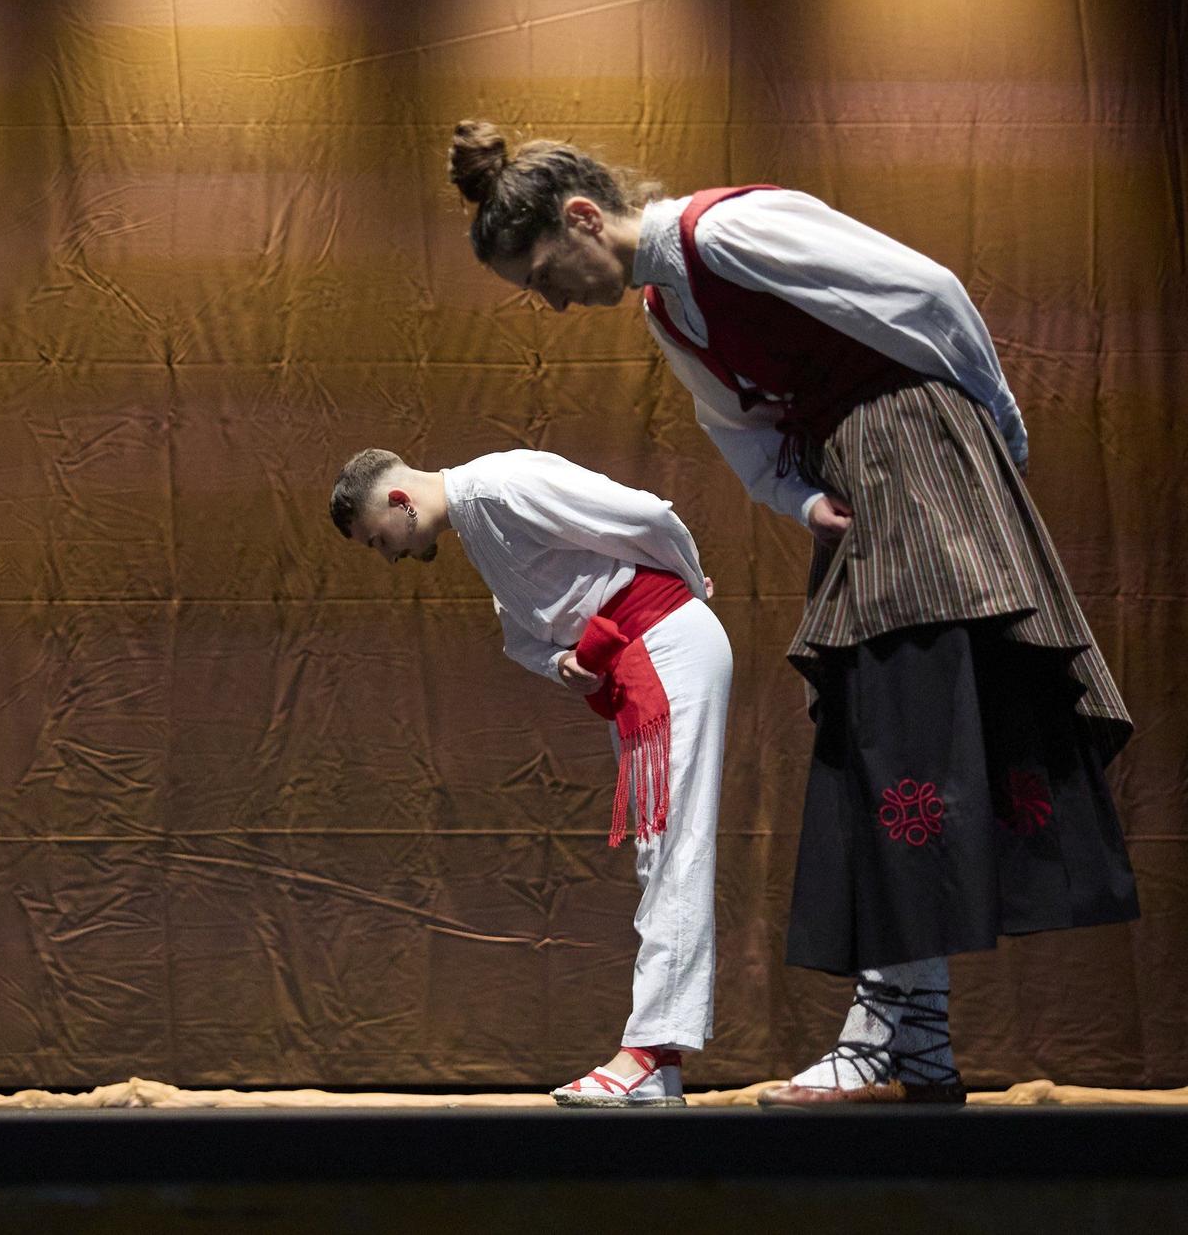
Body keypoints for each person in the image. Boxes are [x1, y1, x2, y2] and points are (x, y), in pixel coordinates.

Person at [445, 122, 1137, 1107]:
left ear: (582, 216)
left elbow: (925, 295)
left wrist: (993, 430)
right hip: (862, 480)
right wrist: (797, 498)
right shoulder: (668, 310)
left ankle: (891, 1036)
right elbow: (740, 428)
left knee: (901, 732)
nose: (551, 300)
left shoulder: (727, 234)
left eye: (542, 272)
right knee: (888, 744)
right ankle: (915, 1039)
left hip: (916, 452)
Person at [331, 446, 731, 1107]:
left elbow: (644, 514)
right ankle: (655, 1059)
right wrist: (562, 663)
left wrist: (689, 576)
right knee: (660, 849)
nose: (389, 556)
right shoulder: (481, 523)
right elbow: (524, 635)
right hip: (636, 661)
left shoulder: (499, 486)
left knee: (673, 847)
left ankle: (653, 1054)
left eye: (379, 540)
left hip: (665, 640)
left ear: (400, 503)